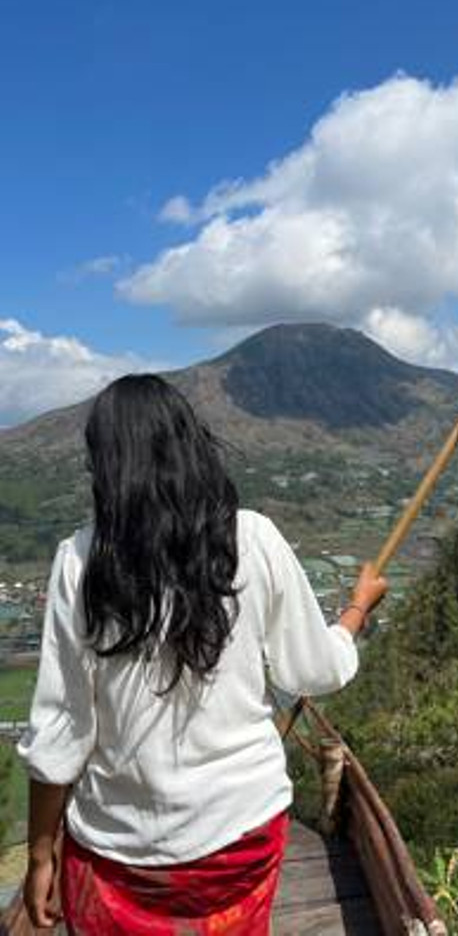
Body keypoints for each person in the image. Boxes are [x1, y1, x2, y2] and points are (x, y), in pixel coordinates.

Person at [17, 374, 388, 934]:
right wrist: (356, 611)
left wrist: (42, 854)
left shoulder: (81, 558)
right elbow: (315, 669)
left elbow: (61, 732)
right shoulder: (254, 538)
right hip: (241, 837)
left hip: (121, 849)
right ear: (191, 444)